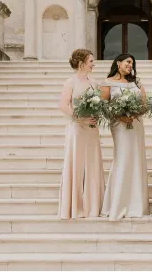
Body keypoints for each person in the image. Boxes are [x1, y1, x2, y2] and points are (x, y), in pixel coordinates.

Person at [100, 53, 150, 221]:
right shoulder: (108, 82)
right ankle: (117, 204)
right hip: (119, 125)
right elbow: (103, 106)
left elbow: (145, 103)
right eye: (128, 62)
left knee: (136, 159)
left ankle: (136, 205)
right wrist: (119, 116)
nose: (130, 65)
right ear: (118, 63)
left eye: (132, 63)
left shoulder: (136, 82)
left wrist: (136, 112)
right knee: (122, 159)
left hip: (135, 124)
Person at [57, 48, 104, 219]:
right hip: (77, 128)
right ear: (81, 63)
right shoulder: (70, 82)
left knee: (92, 164)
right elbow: (64, 105)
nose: (94, 64)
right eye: (91, 61)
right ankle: (75, 206)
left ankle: (92, 206)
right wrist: (79, 117)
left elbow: (99, 103)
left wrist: (97, 114)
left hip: (91, 129)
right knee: (76, 164)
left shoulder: (94, 82)